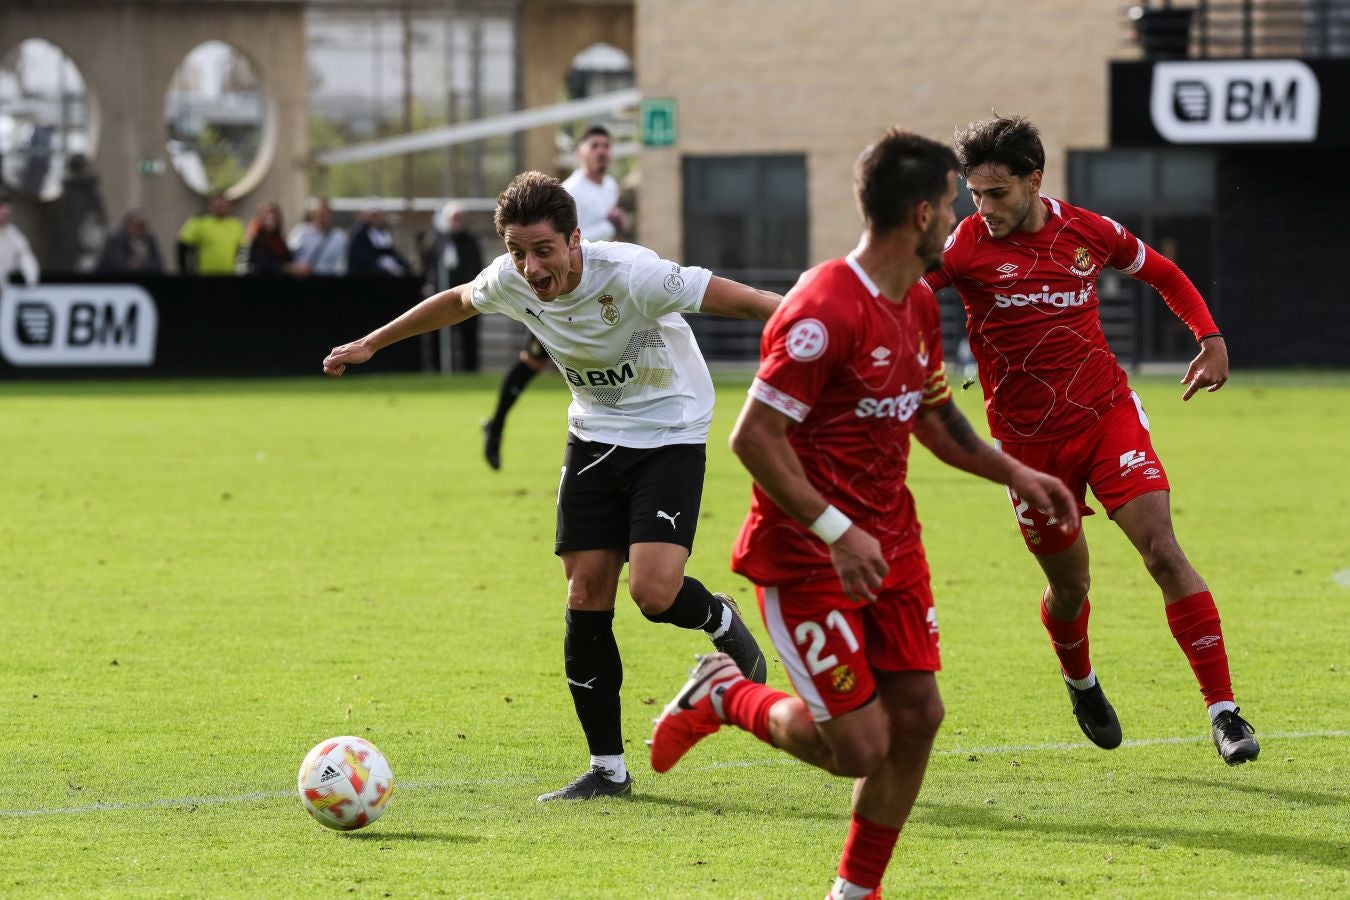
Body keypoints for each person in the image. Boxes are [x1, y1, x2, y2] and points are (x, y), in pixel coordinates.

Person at [649, 129, 1079, 900]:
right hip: (806, 553)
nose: (961, 220)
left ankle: (855, 892)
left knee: (918, 716)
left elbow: (935, 419)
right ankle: (723, 693)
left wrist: (1013, 470)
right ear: (922, 214)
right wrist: (835, 530)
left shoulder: (916, 302)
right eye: (953, 205)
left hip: (891, 544)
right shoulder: (822, 309)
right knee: (855, 747)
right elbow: (754, 437)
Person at [324, 170, 777, 802]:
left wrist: (819, 328)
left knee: (651, 592)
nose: (530, 266)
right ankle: (608, 770)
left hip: (670, 428)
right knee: (586, 591)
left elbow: (744, 300)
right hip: (593, 434)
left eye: (543, 250)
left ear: (575, 241)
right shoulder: (510, 279)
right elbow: (456, 302)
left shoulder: (634, 275)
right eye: (517, 251)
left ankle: (717, 615)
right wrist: (372, 344)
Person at [924, 115, 1259, 765]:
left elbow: (1163, 273)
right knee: (1071, 587)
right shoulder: (961, 248)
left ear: (1033, 180)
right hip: (1026, 450)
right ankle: (1081, 681)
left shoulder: (1088, 230)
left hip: (1105, 416)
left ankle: (1225, 712)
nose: (984, 208)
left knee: (1162, 550)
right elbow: (897, 293)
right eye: (975, 195)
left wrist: (1210, 337)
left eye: (997, 194)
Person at [480, 125, 631, 469]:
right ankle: (497, 424)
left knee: (539, 362)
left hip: (593, 289)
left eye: (607, 145)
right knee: (533, 361)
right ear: (580, 153)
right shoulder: (573, 190)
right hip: (559, 291)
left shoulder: (610, 186)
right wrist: (610, 225)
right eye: (595, 145)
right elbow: (567, 243)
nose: (602, 151)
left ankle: (497, 423)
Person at [420, 201, 483, 371]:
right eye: (453, 218)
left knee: (469, 335)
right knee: (438, 334)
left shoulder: (470, 241)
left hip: (467, 295)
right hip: (441, 294)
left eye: (459, 218)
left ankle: (470, 370)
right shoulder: (436, 240)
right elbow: (427, 264)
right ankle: (437, 369)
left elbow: (477, 265)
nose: (456, 222)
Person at [177, 192, 245, 275]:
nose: (220, 208)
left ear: (229, 206)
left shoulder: (236, 225)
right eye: (217, 205)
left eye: (223, 205)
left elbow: (241, 251)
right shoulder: (200, 222)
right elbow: (182, 245)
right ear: (210, 206)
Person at [288, 198, 348, 275]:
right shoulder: (301, 232)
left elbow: (341, 266)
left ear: (330, 215)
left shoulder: (339, 237)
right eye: (320, 213)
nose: (322, 217)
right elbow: (289, 254)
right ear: (314, 214)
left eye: (325, 214)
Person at [347, 208, 411, 276]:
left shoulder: (383, 233)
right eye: (375, 215)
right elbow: (366, 261)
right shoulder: (360, 235)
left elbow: (391, 253)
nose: (379, 218)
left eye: (380, 215)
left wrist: (406, 266)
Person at [96, 210, 164, 274]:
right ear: (129, 226)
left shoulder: (149, 239)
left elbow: (159, 264)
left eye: (143, 226)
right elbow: (119, 266)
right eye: (138, 226)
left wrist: (141, 264)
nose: (142, 230)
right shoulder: (117, 240)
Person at [242, 201, 298, 275]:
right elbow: (261, 264)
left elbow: (287, 259)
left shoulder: (279, 239)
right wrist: (285, 268)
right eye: (266, 217)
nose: (269, 220)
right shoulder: (256, 239)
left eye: (272, 217)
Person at [0, 200, 40, 285]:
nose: (5, 216)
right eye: (3, 213)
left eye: (7, 214)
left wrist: (31, 278)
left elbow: (25, 256)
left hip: (5, 287)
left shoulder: (14, 235)